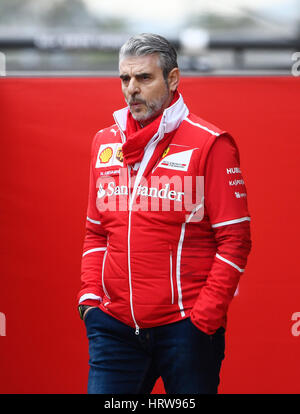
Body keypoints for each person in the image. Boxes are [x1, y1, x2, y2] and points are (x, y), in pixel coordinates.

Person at [77, 33, 252, 394]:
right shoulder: (105, 143)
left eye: (144, 78)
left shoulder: (210, 144)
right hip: (114, 329)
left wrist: (203, 318)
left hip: (185, 329)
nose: (132, 90)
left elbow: (235, 240)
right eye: (125, 79)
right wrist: (90, 300)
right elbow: (96, 232)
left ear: (172, 80)